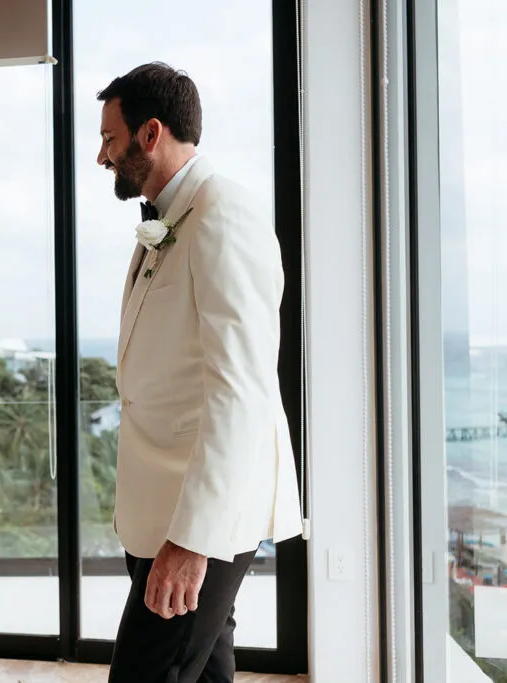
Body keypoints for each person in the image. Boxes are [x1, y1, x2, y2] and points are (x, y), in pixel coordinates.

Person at [95, 63, 303, 682]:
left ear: (150, 133)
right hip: (161, 506)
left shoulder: (221, 214)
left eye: (110, 139)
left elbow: (241, 390)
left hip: (203, 516)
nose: (102, 157)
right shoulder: (169, 216)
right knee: (204, 669)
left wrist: (192, 541)